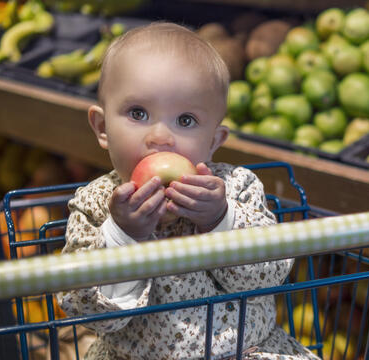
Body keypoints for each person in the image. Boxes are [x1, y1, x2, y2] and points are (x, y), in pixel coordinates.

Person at [57, 22, 319, 360]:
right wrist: (123, 236)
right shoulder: (96, 205)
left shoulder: (235, 188)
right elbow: (85, 309)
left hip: (243, 351)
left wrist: (220, 219)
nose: (161, 137)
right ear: (103, 127)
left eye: (185, 121)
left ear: (213, 142)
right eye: (138, 113)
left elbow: (267, 275)